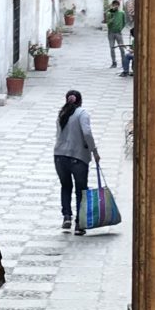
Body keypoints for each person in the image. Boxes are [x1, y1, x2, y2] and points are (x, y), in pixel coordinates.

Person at [55, 88, 102, 235]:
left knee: (66, 186)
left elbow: (58, 135)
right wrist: (94, 150)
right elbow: (87, 132)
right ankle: (80, 224)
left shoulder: (61, 114)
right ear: (80, 101)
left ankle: (67, 216)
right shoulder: (82, 114)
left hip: (59, 156)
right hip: (78, 157)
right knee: (81, 189)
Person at [105, 0, 129, 70]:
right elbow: (107, 23)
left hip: (118, 32)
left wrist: (120, 28)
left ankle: (123, 62)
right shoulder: (109, 13)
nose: (115, 6)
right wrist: (110, 21)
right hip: (111, 33)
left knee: (122, 48)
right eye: (114, 5)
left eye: (117, 5)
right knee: (112, 48)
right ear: (112, 5)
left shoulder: (122, 13)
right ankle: (114, 62)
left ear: (118, 5)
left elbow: (124, 22)